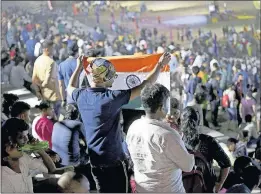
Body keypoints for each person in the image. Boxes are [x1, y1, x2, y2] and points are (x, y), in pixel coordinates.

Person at [67, 52, 171, 192]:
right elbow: (145, 86)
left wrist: (79, 67)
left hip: (95, 162)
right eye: (112, 75)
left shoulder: (81, 95)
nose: (114, 79)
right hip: (114, 161)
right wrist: (159, 65)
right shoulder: (112, 98)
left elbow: (70, 87)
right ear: (106, 77)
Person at [127, 83, 194, 192]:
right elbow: (188, 166)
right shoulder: (168, 135)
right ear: (161, 107)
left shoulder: (133, 126)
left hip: (143, 189)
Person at [181, 107, 231, 193]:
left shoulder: (177, 142)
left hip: (184, 188)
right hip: (207, 188)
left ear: (181, 122)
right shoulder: (208, 141)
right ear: (198, 122)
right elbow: (226, 164)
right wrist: (219, 183)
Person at [1, 118, 52, 193]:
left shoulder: (24, 157)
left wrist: (41, 151)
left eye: (27, 135)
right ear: (8, 144)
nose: (27, 140)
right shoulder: (3, 179)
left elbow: (50, 170)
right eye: (21, 137)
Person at [32, 40, 61, 118]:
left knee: (45, 117)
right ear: (47, 49)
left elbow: (34, 79)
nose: (54, 50)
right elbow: (47, 82)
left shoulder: (37, 60)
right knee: (55, 118)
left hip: (43, 96)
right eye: (53, 48)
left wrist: (38, 91)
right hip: (53, 95)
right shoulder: (51, 62)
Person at [58, 41, 79, 107]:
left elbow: (61, 85)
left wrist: (63, 99)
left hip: (69, 97)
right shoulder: (81, 64)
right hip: (81, 97)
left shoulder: (61, 65)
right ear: (77, 51)